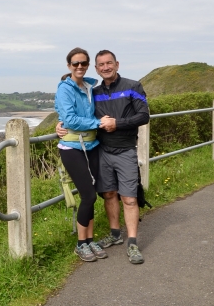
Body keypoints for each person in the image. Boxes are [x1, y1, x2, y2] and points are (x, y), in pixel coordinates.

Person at [57, 49, 150, 265]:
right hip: (101, 150)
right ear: (97, 69)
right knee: (108, 194)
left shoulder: (132, 86)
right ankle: (114, 234)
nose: (106, 67)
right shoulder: (94, 91)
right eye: (101, 65)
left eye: (109, 63)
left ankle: (132, 243)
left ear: (117, 64)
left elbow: (144, 116)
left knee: (129, 198)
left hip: (124, 149)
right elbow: (80, 115)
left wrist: (118, 123)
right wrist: (61, 123)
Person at [55, 47, 113, 262]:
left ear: (88, 65)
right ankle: (81, 244)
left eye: (83, 63)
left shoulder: (89, 86)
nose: (80, 66)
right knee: (88, 195)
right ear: (69, 66)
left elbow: (71, 114)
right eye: (75, 63)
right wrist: (97, 123)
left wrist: (60, 121)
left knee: (91, 195)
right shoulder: (65, 88)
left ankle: (89, 240)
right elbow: (69, 119)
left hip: (92, 145)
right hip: (72, 148)